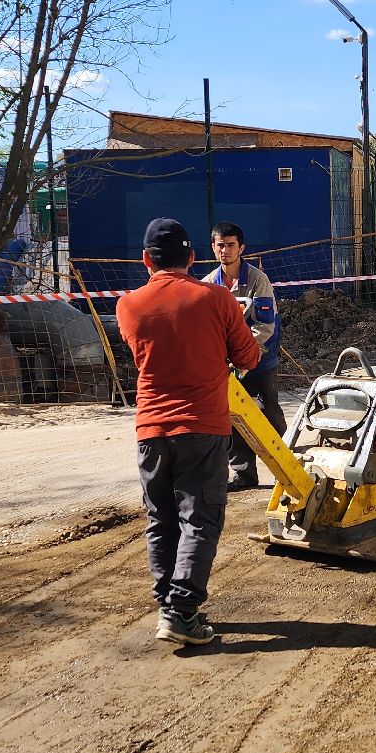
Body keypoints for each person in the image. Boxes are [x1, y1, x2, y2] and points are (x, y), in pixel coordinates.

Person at [116, 217, 263, 647]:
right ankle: (181, 611)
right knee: (199, 518)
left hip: (151, 429)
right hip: (202, 426)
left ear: (146, 259)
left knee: (160, 518)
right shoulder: (216, 299)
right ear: (194, 257)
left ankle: (169, 606)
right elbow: (250, 357)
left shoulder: (128, 305)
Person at [203, 221, 285, 491]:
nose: (225, 250)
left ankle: (287, 465)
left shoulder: (258, 281)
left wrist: (244, 355)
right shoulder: (208, 286)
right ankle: (244, 475)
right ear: (213, 248)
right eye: (220, 245)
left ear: (241, 248)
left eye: (230, 245)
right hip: (227, 366)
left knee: (267, 412)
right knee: (233, 416)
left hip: (260, 359)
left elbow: (264, 326)